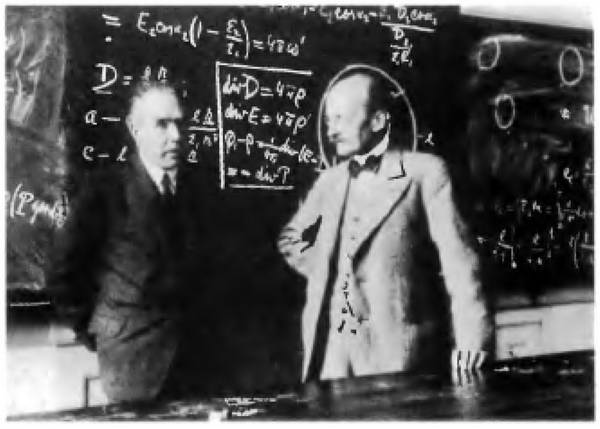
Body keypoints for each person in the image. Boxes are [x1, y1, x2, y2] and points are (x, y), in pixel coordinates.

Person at [278, 69, 491, 382]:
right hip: (332, 356)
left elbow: (459, 262)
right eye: (328, 121)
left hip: (398, 352)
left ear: (377, 121)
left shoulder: (425, 172)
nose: (331, 131)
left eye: (341, 119)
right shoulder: (328, 182)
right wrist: (328, 268)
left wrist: (472, 339)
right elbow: (291, 238)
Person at [47, 80, 213, 402]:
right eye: (162, 124)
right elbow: (61, 274)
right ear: (135, 129)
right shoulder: (103, 191)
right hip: (133, 365)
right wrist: (100, 332)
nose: (176, 136)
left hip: (197, 365)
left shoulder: (200, 189)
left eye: (179, 123)